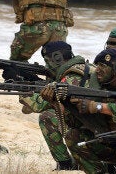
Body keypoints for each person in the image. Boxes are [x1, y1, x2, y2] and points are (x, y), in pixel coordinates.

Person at [19, 41, 78, 170]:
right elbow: (26, 110)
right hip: (94, 125)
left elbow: (38, 105)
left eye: (47, 61)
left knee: (47, 117)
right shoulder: (79, 69)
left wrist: (23, 89)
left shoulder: (71, 78)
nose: (46, 66)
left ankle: (66, 164)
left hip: (91, 128)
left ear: (58, 58)